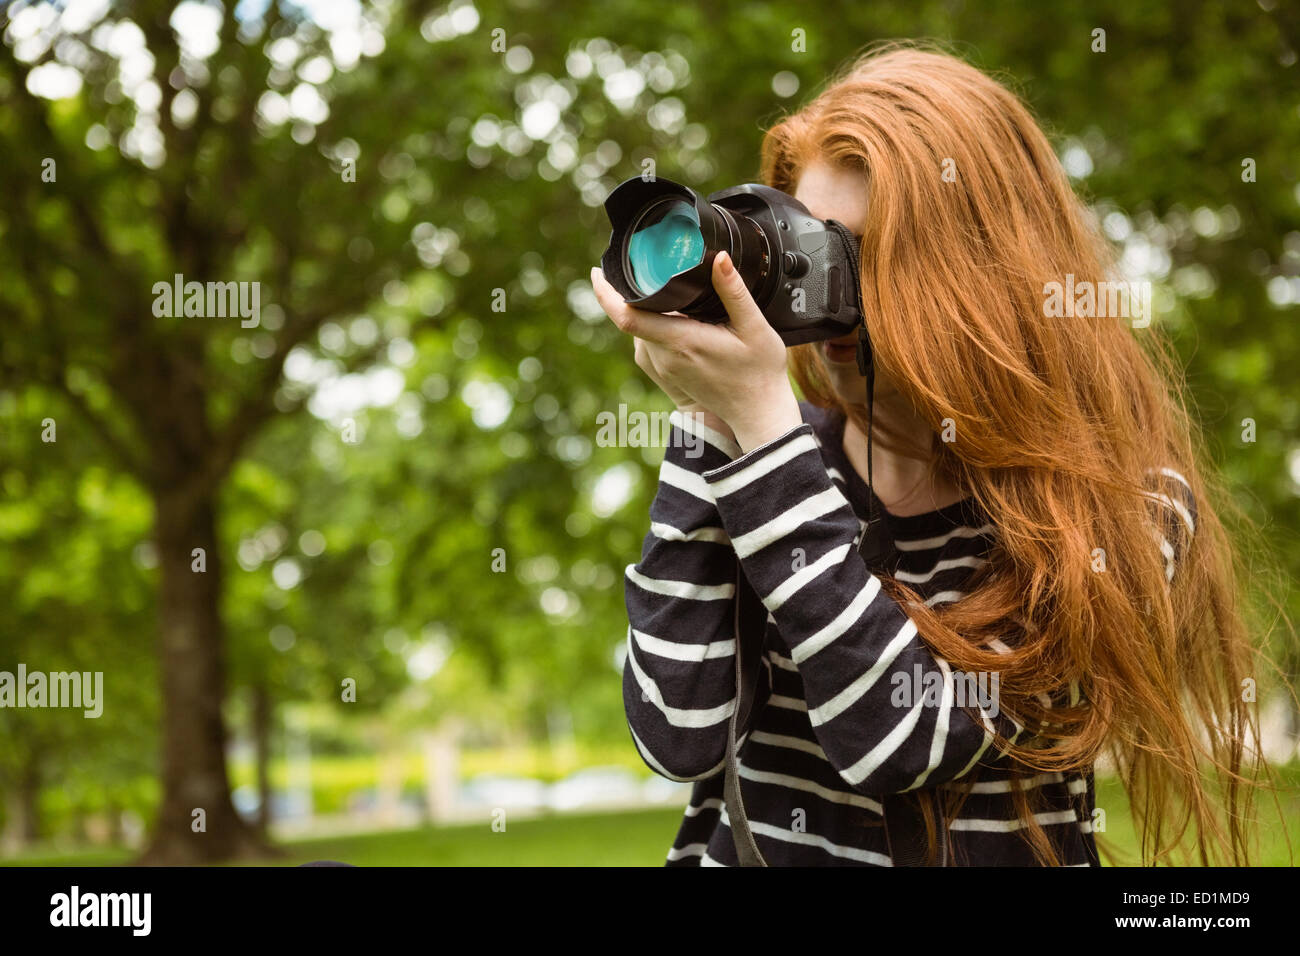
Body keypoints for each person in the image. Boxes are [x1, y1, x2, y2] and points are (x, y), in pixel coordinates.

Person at [590, 43, 1270, 866]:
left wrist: (765, 437)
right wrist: (711, 413)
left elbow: (901, 740)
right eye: (809, 243)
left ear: (985, 271)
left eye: (867, 254)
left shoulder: (1123, 508)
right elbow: (678, 731)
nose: (824, 291)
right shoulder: (758, 449)